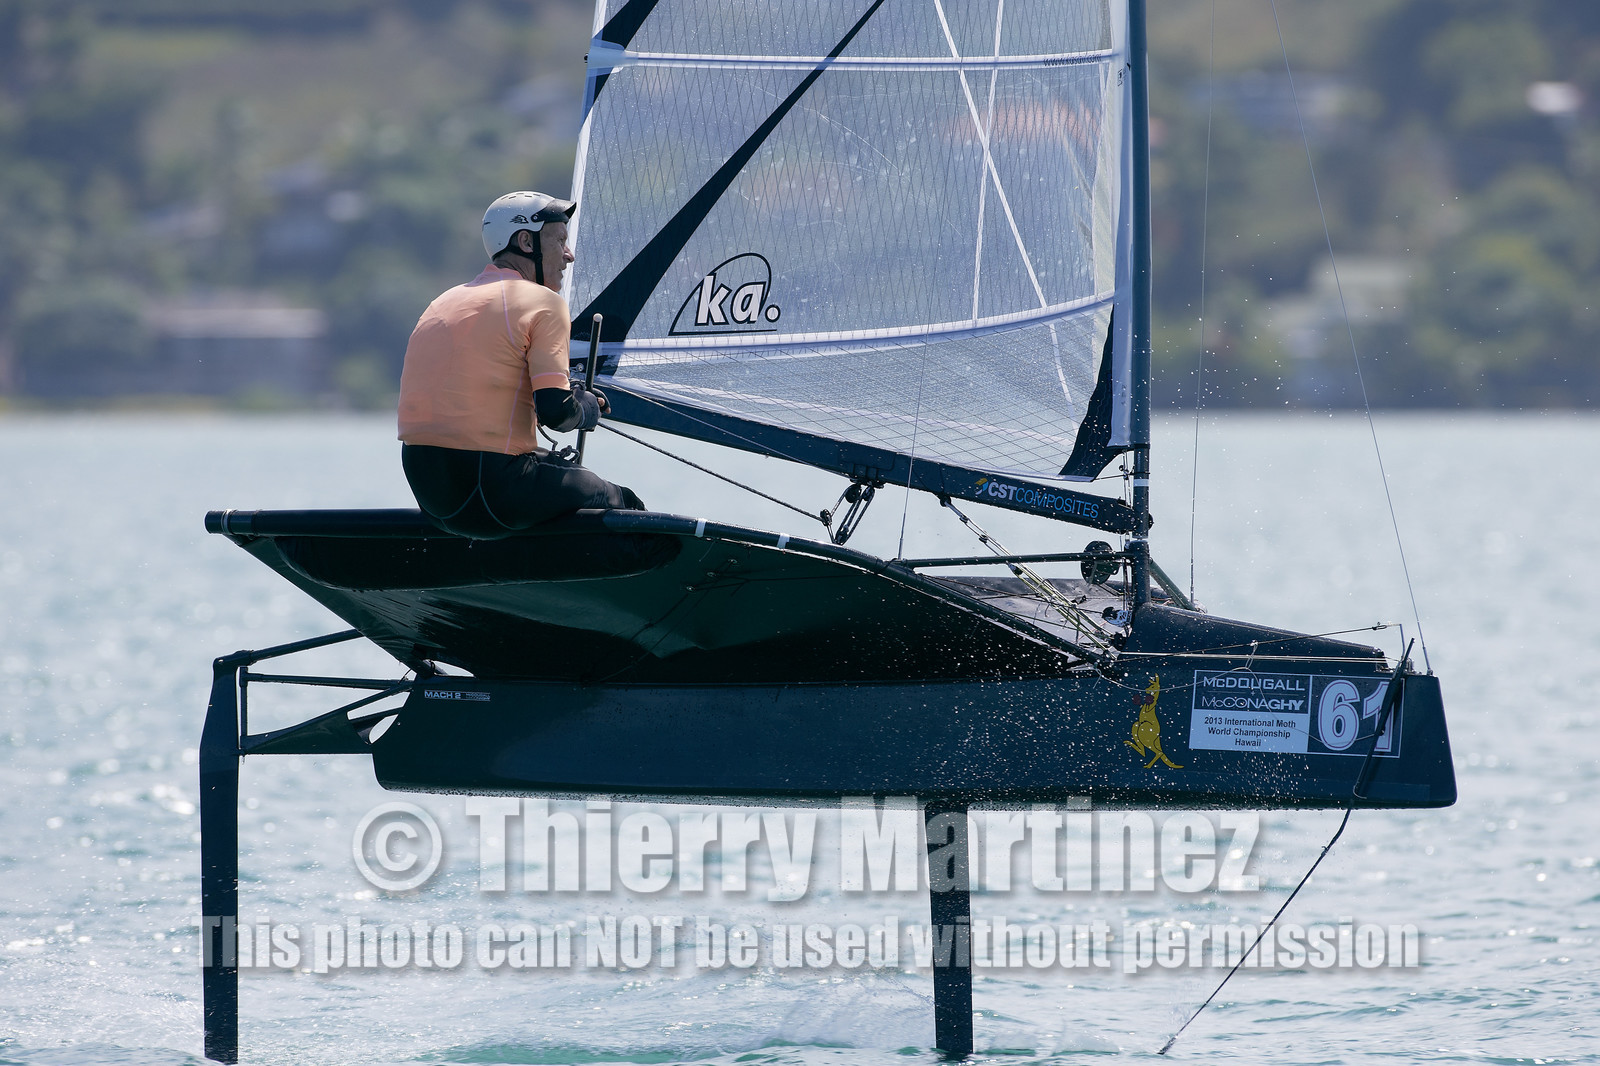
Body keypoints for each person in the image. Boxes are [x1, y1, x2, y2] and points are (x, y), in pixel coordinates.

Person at [397, 191, 645, 538]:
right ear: (526, 242)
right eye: (560, 240)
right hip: (493, 491)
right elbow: (556, 413)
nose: (569, 255)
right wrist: (586, 407)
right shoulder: (543, 302)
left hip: (431, 494)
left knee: (552, 467)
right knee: (617, 498)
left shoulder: (442, 302)